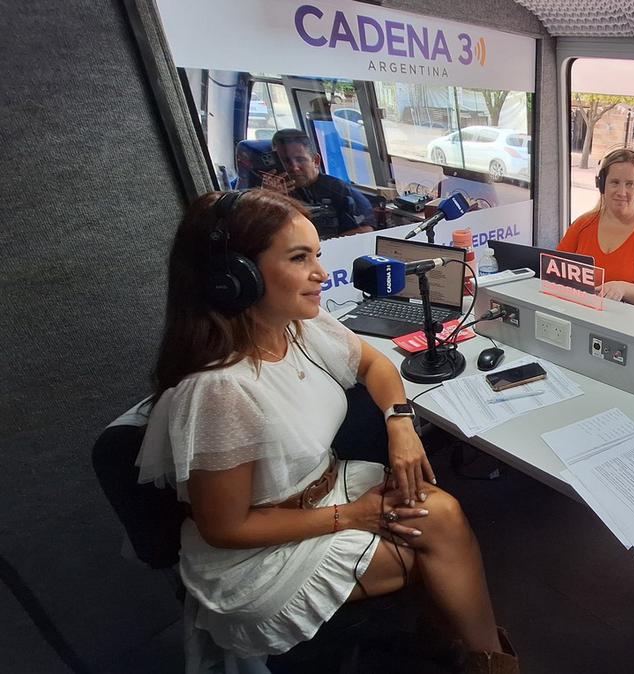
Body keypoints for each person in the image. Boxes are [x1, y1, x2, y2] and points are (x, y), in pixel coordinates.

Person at [136, 189, 517, 673]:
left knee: (443, 515)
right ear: (235, 278)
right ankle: (482, 657)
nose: (321, 273)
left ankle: (474, 653)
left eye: (316, 254)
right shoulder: (220, 391)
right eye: (300, 259)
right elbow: (226, 527)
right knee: (439, 542)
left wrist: (401, 425)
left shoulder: (299, 327)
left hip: (325, 491)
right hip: (263, 552)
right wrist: (352, 517)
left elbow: (376, 364)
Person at [558, 148, 634, 306]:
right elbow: (556, 270)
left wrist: (622, 288)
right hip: (581, 313)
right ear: (602, 184)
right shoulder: (582, 224)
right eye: (615, 182)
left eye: (630, 184)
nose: (621, 192)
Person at [267, 128, 374, 239]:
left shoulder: (339, 190)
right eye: (286, 161)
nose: (294, 168)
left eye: (300, 160)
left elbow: (366, 229)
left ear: (316, 161)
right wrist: (267, 201)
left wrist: (324, 245)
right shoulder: (269, 194)